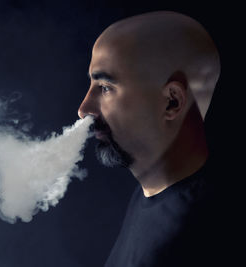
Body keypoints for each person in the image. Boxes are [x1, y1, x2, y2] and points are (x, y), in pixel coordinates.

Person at [78, 11, 234, 266]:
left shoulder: (193, 235)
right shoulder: (150, 193)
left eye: (105, 88)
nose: (84, 109)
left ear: (172, 101)